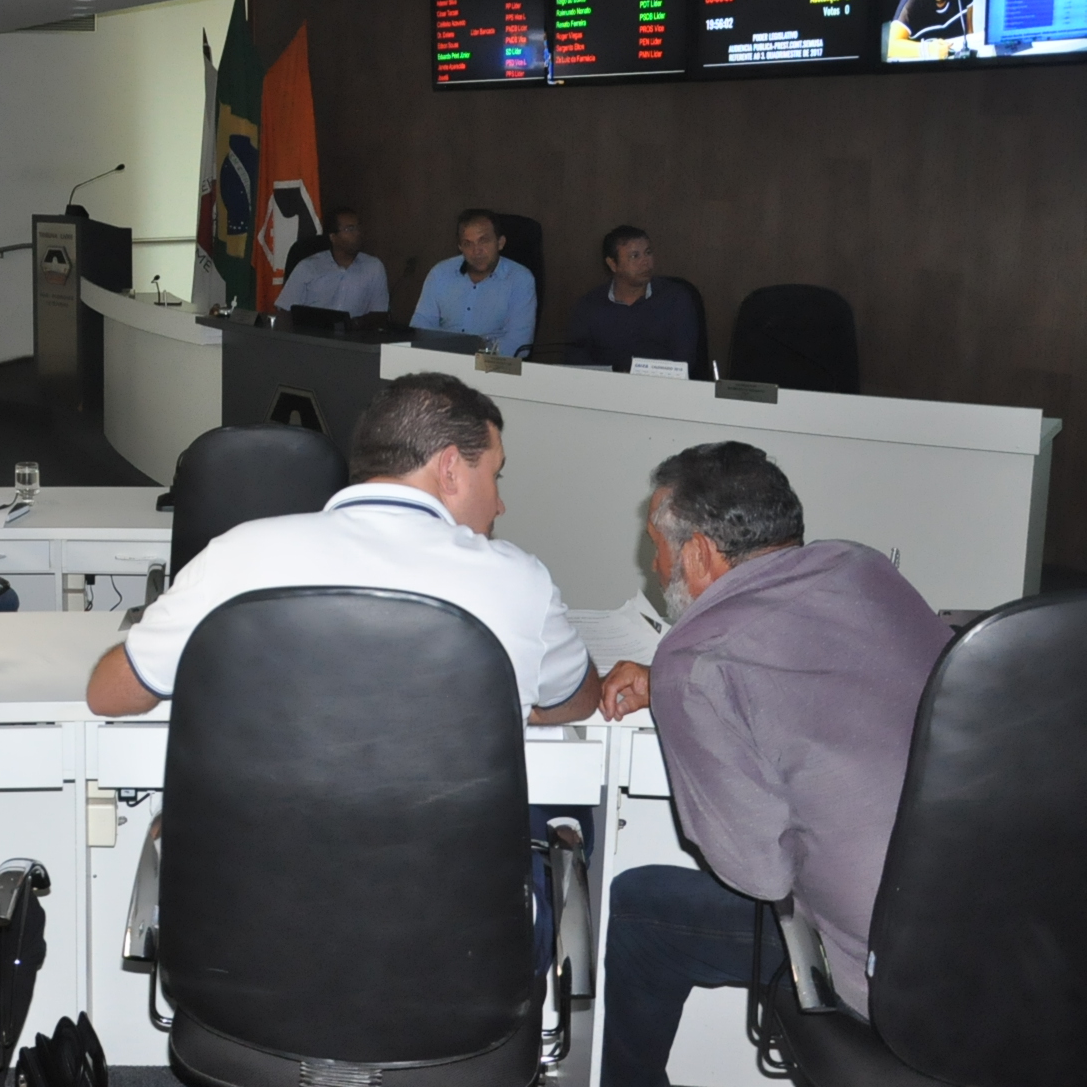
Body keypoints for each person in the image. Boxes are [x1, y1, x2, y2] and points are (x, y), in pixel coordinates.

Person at [595, 442, 951, 1087]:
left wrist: (678, 683)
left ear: (698, 552)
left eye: (659, 546)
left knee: (637, 910)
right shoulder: (864, 567)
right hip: (1014, 923)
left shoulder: (696, 660)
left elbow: (759, 873)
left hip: (891, 968)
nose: (655, 565)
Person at [88, 371, 596, 722]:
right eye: (494, 475)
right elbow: (578, 700)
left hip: (264, 847)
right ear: (449, 468)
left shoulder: (238, 555)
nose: (499, 503)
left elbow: (108, 695)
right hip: (444, 851)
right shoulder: (519, 582)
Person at [565, 226, 702, 374]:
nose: (645, 262)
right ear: (613, 264)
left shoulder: (676, 299)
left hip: (661, 385)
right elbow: (575, 360)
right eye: (634, 256)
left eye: (648, 253)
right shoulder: (590, 305)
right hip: (606, 385)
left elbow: (684, 360)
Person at [409, 209, 537, 357]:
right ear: (460, 247)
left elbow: (518, 345)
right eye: (468, 243)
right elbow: (421, 327)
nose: (476, 251)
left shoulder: (520, 279)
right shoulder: (440, 274)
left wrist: (471, 358)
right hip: (442, 362)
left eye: (483, 241)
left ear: (500, 243)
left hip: (493, 366)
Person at [275, 206, 390, 322]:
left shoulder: (373, 267)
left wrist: (354, 324)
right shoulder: (308, 267)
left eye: (358, 228)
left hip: (354, 332)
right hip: (311, 331)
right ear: (333, 237)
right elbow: (285, 310)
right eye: (350, 229)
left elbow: (379, 314)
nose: (357, 233)